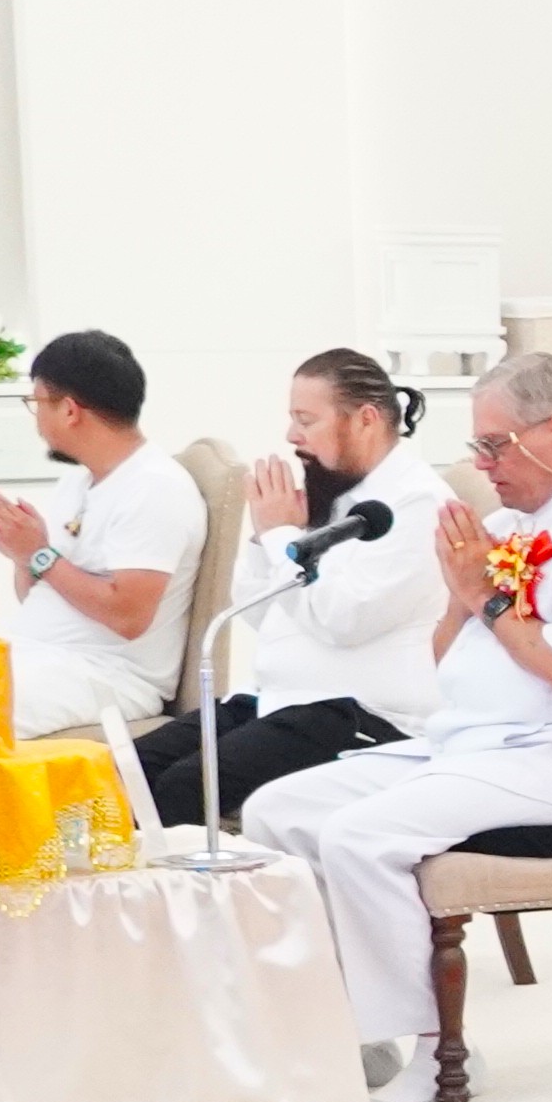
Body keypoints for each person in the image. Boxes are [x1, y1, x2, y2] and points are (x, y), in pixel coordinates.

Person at [242, 353, 552, 1092]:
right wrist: (456, 597)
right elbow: (447, 659)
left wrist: (486, 599)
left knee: (359, 835)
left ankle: (434, 1048)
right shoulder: (514, 521)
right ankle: (359, 1032)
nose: (482, 464)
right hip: (473, 745)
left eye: (493, 445)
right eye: (479, 447)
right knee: (277, 811)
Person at [138, 349, 437, 830]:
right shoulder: (334, 493)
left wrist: (283, 537)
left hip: (362, 715)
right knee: (126, 771)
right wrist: (264, 537)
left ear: (365, 419)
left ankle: (210, 903)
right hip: (280, 700)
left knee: (184, 790)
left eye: (306, 420)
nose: (291, 436)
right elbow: (262, 615)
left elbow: (346, 620)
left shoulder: (417, 503)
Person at [0, 327, 198, 736]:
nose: (36, 419)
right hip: (42, 656)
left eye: (37, 403)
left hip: (110, 676)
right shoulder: (78, 482)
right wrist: (23, 555)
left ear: (70, 410)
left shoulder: (155, 487)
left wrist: (40, 555)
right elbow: (37, 597)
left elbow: (128, 616)